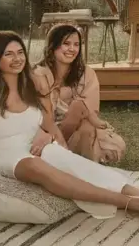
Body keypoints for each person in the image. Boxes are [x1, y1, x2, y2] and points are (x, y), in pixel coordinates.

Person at [0, 30, 139, 220]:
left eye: (20, 52)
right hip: (6, 156)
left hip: (37, 146)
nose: (17, 58)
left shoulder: (32, 84)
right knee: (36, 166)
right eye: (8, 54)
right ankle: (128, 203)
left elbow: (47, 120)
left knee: (69, 161)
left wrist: (47, 135)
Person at [31, 24, 126, 165]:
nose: (72, 49)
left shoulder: (86, 74)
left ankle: (74, 162)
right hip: (43, 127)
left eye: (76, 45)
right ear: (53, 46)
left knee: (86, 125)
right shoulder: (38, 73)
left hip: (76, 129)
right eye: (66, 44)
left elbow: (89, 111)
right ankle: (65, 157)